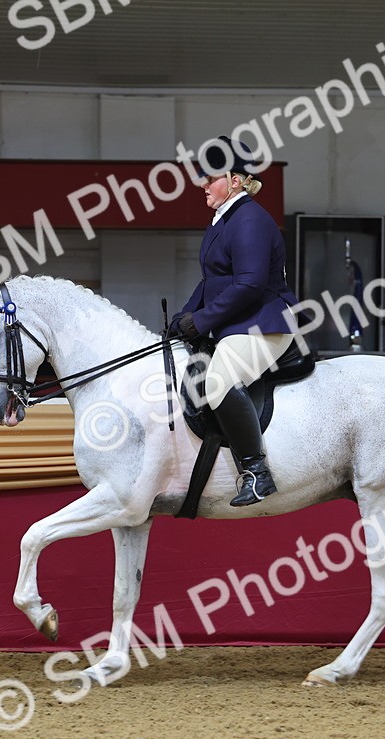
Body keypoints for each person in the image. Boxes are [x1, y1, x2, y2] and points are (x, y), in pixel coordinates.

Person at [169, 136, 300, 507]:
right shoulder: (223, 220)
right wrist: (185, 317)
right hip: (239, 322)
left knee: (218, 380)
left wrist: (204, 320)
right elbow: (211, 280)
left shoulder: (251, 220)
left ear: (236, 180)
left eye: (210, 177)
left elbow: (250, 283)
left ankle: (256, 472)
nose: (202, 184)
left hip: (265, 323)